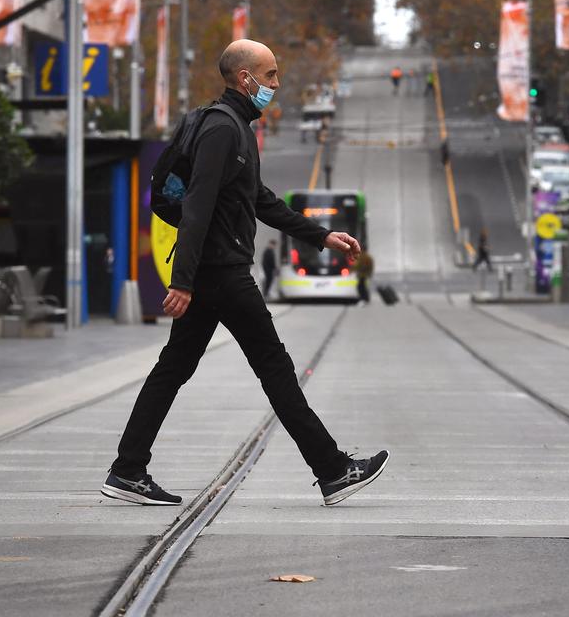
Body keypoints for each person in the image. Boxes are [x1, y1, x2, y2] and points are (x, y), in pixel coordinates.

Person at [102, 39, 389, 508]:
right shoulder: (222, 129)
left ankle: (127, 469)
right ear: (245, 78)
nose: (276, 85)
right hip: (221, 273)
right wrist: (183, 281)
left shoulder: (236, 127)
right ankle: (333, 470)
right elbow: (197, 204)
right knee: (274, 368)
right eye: (270, 75)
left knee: (173, 369)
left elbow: (259, 200)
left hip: (215, 271)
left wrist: (321, 236)